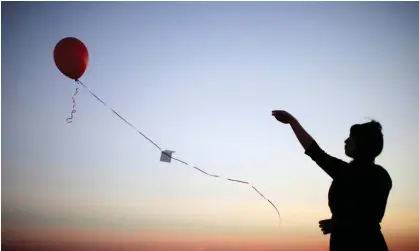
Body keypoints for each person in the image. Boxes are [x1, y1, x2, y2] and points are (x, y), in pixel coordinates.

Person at [271, 110, 392, 251]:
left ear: (363, 143)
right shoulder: (351, 172)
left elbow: (371, 219)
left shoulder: (374, 176)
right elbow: (315, 152)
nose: (346, 141)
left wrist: (339, 224)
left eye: (351, 137)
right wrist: (293, 122)